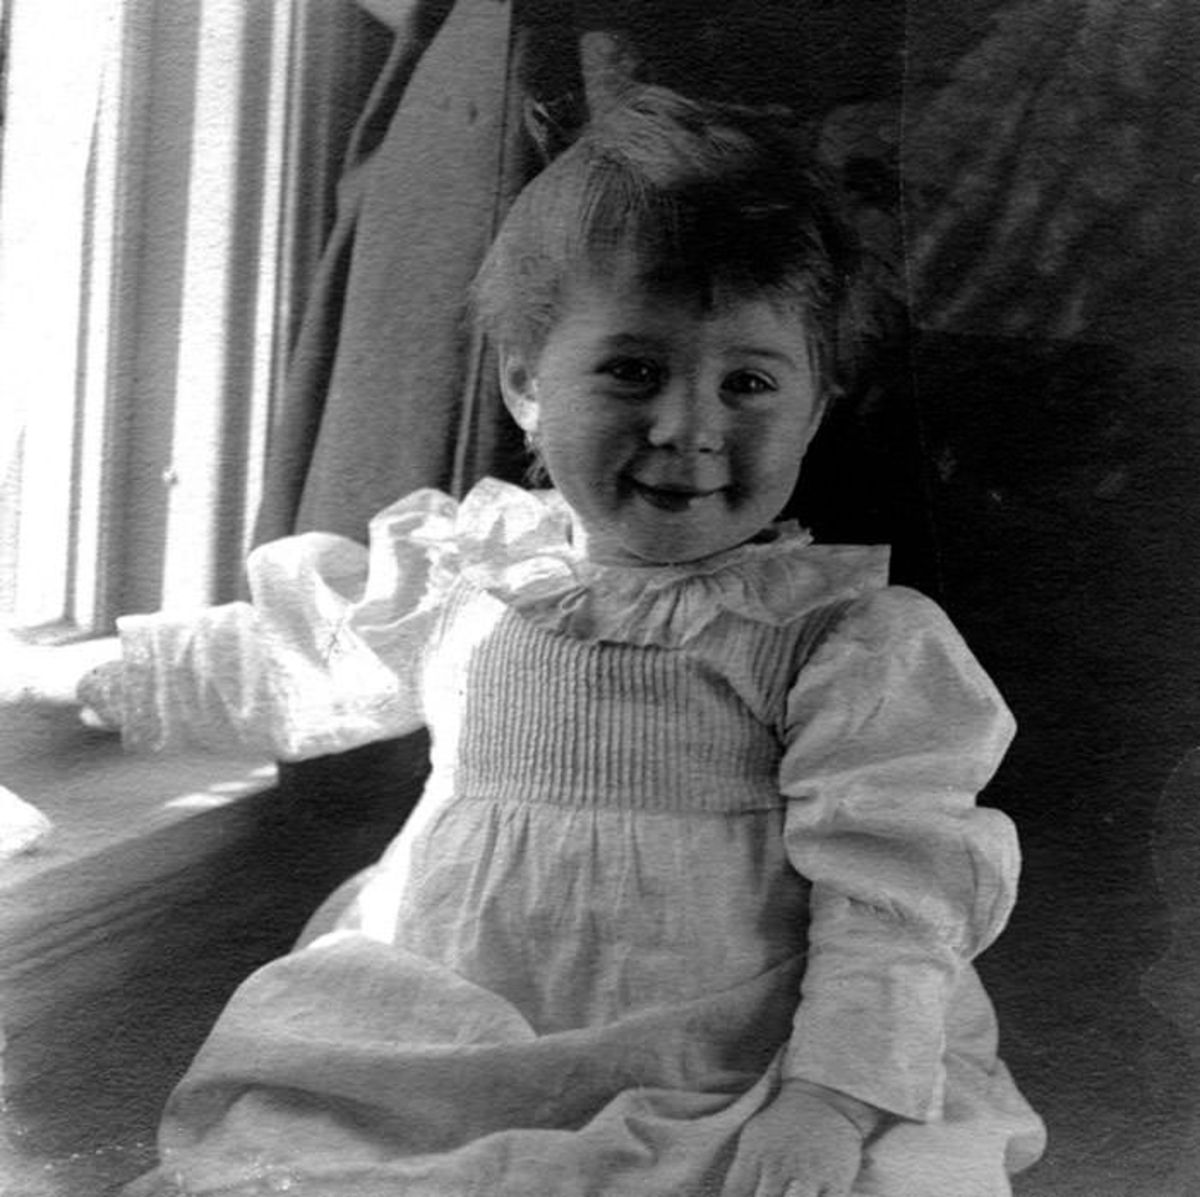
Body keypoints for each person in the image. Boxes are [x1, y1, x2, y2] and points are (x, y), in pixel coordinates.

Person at [8, 87, 1045, 1197]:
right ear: (525, 384)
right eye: (632, 370)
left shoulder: (842, 642)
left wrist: (827, 1102)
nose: (688, 427)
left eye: (747, 383)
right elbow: (292, 662)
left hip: (724, 1056)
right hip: (454, 1033)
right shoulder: (472, 572)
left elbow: (891, 902)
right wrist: (72, 678)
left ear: (816, 407)